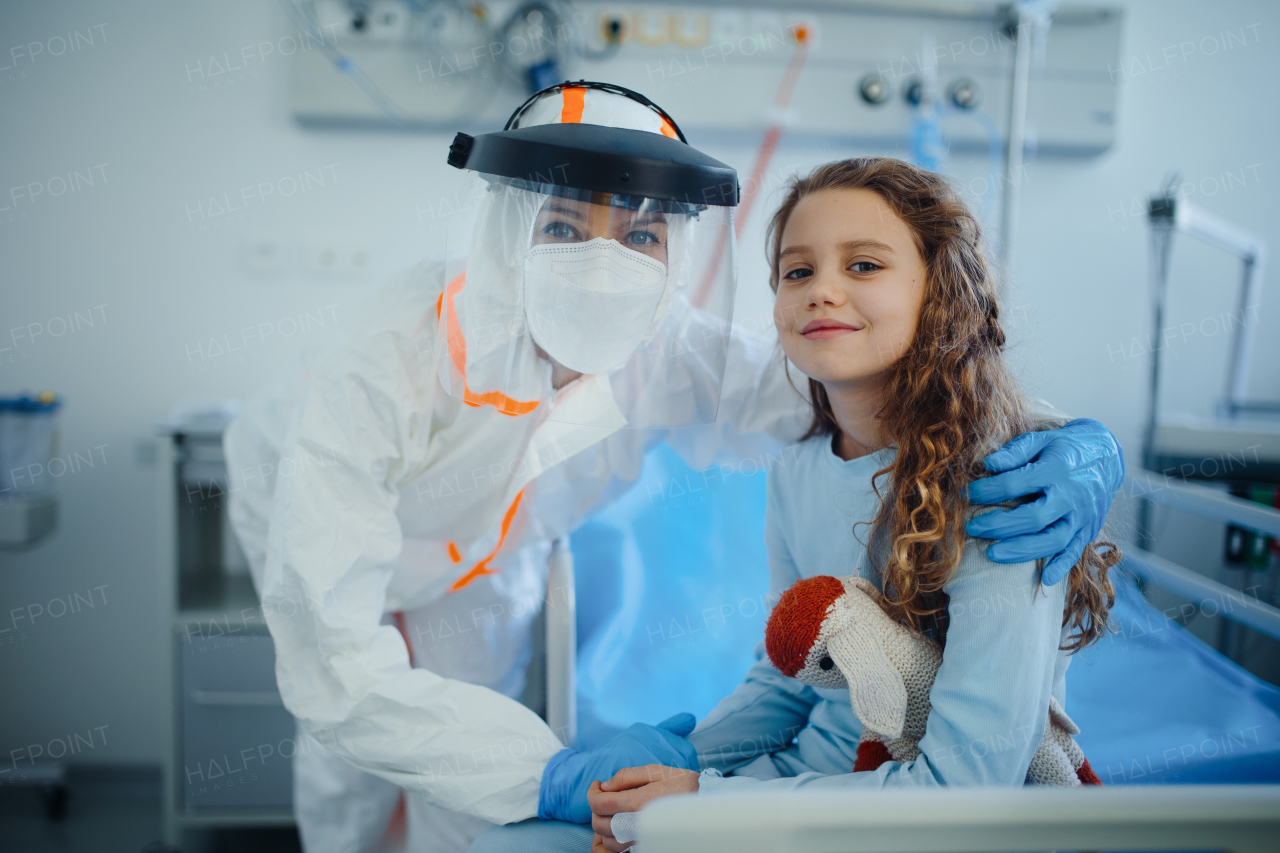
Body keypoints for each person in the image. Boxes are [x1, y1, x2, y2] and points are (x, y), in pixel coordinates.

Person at [224, 87, 1125, 853]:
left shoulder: (670, 348)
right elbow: (333, 660)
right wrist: (553, 773)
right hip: (324, 522)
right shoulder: (385, 360)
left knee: (466, 772)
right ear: (508, 230)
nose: (604, 260)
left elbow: (863, 386)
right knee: (345, 755)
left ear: (676, 250)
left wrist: (1080, 440)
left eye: (644, 235)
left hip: (492, 563)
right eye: (565, 224)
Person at [474, 157, 1122, 853]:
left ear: (940, 290)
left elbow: (964, 791)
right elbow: (788, 680)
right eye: (798, 271)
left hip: (904, 821)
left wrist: (702, 807)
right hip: (801, 787)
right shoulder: (797, 470)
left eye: (865, 266)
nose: (823, 291)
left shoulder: (1006, 488)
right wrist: (674, 763)